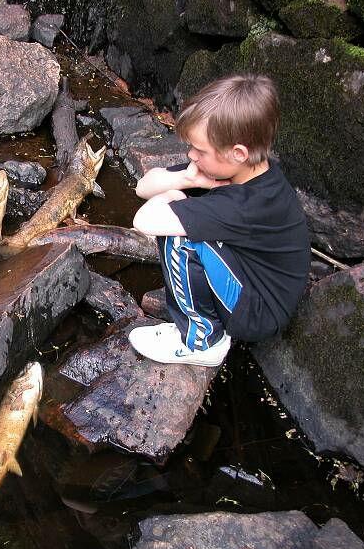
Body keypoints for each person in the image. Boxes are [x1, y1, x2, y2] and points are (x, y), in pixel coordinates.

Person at [128, 74, 310, 367]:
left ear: (238, 153)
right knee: (183, 218)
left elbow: (145, 220)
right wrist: (186, 178)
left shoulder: (246, 205)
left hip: (259, 313)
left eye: (199, 151)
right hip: (250, 280)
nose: (191, 155)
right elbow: (143, 187)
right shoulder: (240, 171)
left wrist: (174, 197)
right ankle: (206, 320)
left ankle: (202, 341)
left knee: (180, 237)